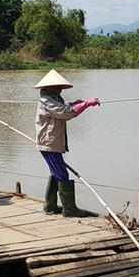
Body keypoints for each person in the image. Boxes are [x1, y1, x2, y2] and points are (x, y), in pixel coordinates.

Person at [34, 69, 100, 217]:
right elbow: (66, 113)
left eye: (60, 87)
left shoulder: (53, 98)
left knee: (56, 172)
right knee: (62, 174)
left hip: (52, 142)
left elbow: (66, 107)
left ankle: (50, 205)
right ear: (49, 87)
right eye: (57, 87)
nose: (60, 89)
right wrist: (87, 104)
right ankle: (69, 209)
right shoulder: (46, 101)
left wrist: (80, 103)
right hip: (49, 143)